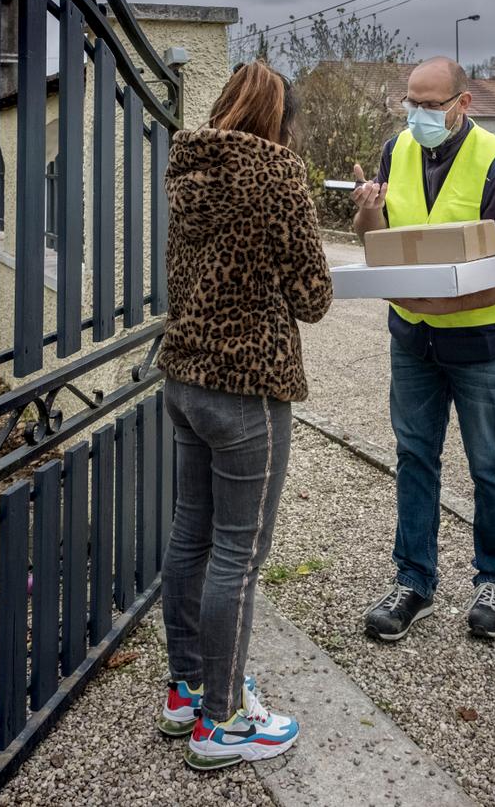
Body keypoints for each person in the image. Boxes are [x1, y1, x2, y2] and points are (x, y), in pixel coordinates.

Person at [156, 61, 333, 770]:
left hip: (185, 377)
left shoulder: (186, 166)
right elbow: (313, 295)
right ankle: (222, 722)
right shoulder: (278, 173)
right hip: (246, 387)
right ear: (277, 117)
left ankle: (188, 689)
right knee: (237, 552)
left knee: (189, 533)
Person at [352, 56, 495, 642]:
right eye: (411, 102)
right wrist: (368, 213)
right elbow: (377, 241)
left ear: (462, 103)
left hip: (481, 344)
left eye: (430, 104)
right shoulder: (396, 150)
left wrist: (439, 308)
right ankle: (413, 582)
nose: (417, 114)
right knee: (415, 458)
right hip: (413, 341)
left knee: (489, 464)